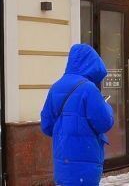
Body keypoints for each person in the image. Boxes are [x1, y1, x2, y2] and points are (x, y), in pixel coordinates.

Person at [40, 44, 114, 185]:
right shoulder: (89, 88)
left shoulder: (56, 87)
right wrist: (107, 107)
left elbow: (46, 125)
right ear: (91, 64)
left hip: (62, 161)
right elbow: (104, 123)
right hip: (86, 161)